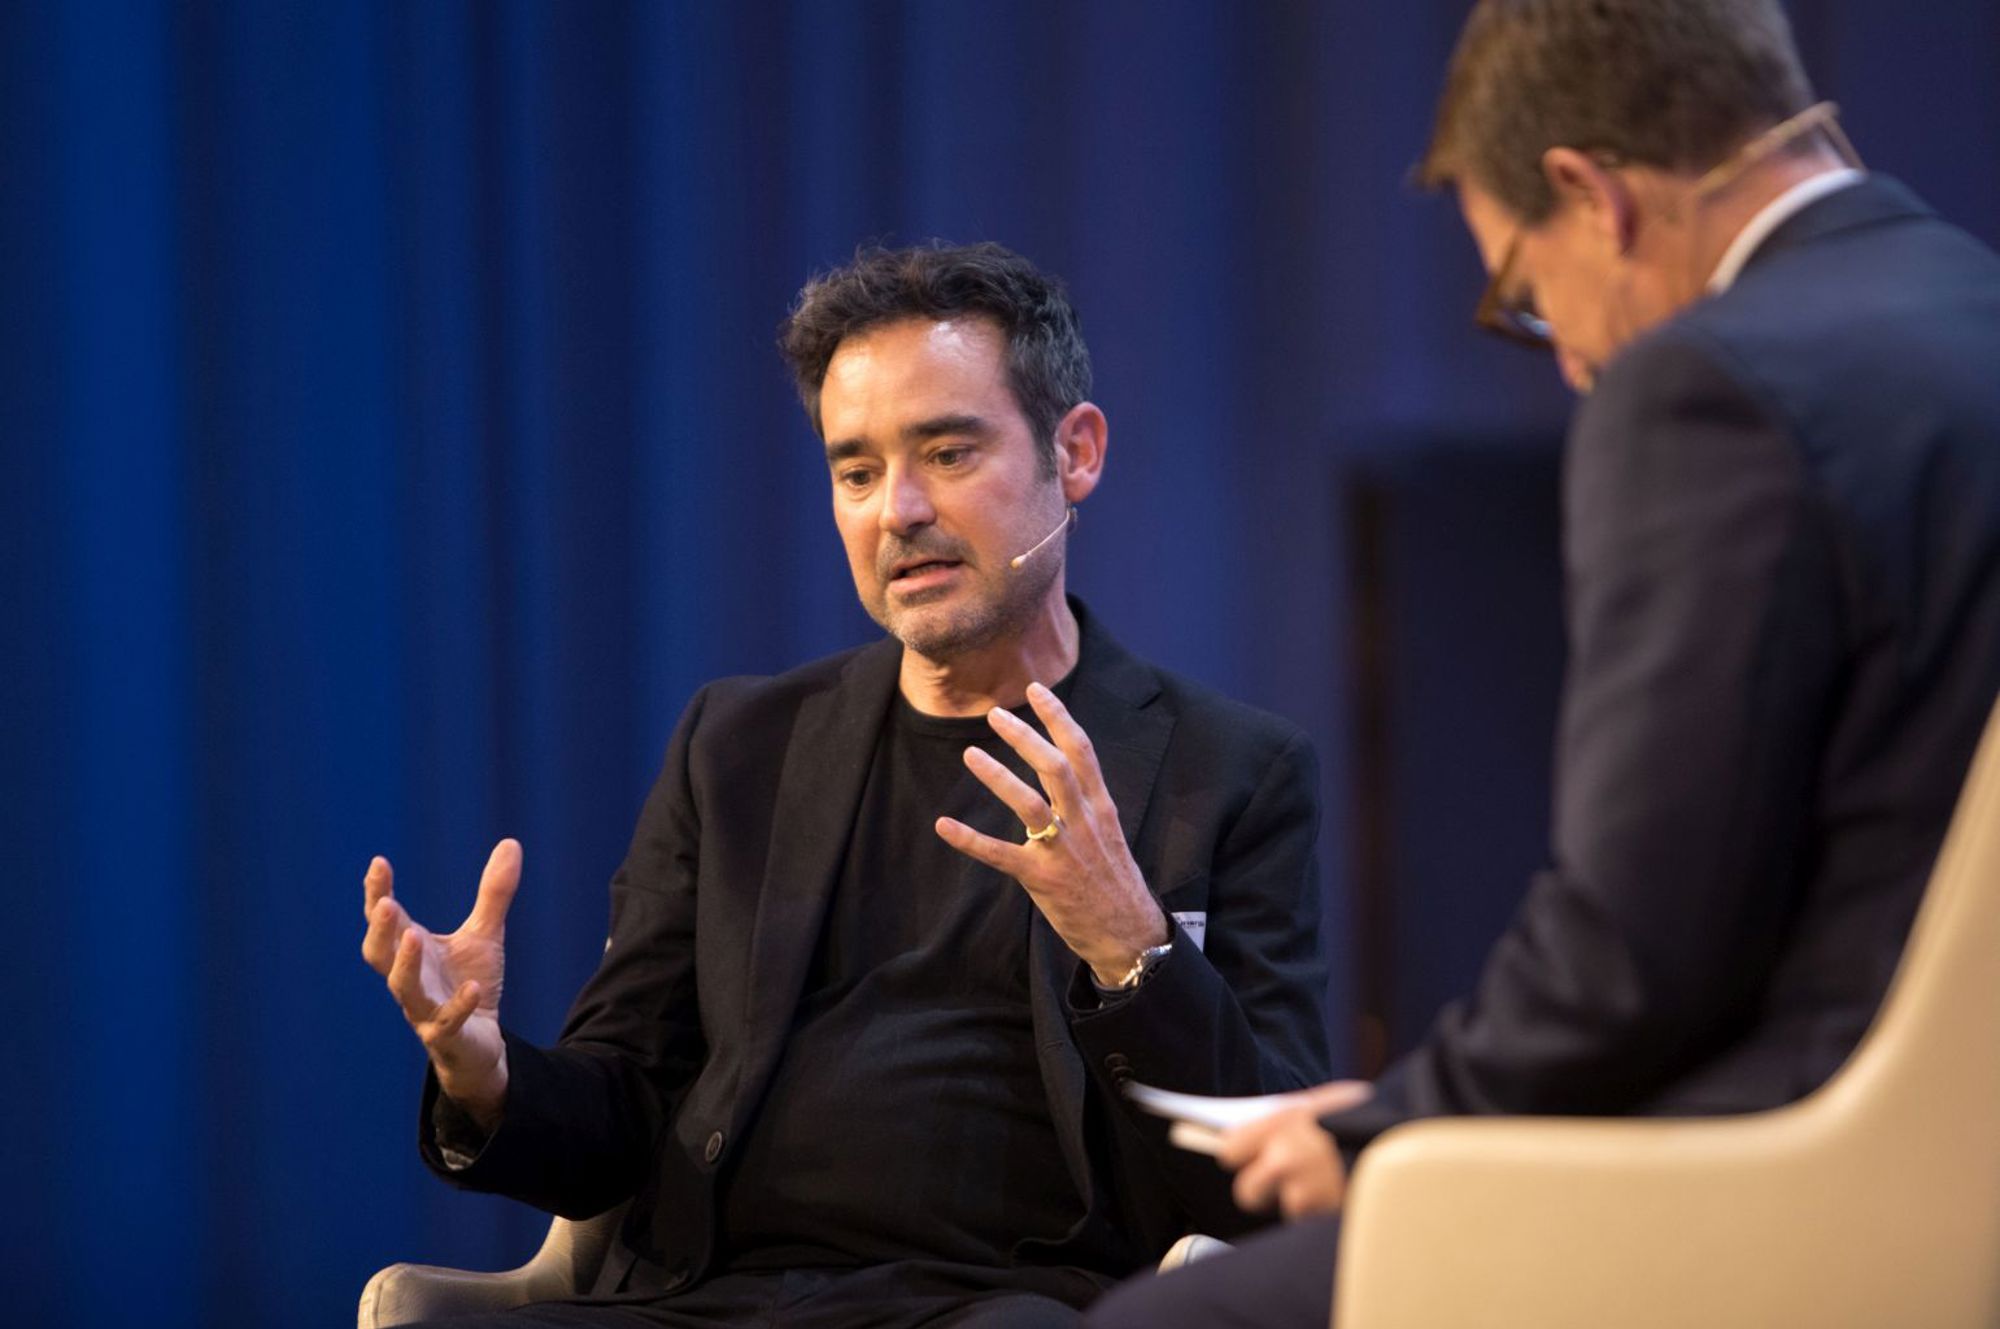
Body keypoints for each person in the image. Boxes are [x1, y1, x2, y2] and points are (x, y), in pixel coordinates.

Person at [1088, 1, 2000, 1323]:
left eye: (1522, 296)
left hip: (1794, 1165)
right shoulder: (1971, 307)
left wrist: (1386, 1131)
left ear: (1591, 196)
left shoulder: (1707, 388)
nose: (1569, 364)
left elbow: (1637, 952)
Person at [360, 241, 1331, 1327]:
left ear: (1076, 453)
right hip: (716, 1301)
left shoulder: (1226, 772)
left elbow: (1270, 1177)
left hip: (1004, 1304)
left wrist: (1131, 948)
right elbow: (621, 1112)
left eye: (948, 453)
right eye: (856, 472)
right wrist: (483, 1071)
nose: (896, 511)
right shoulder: (737, 748)